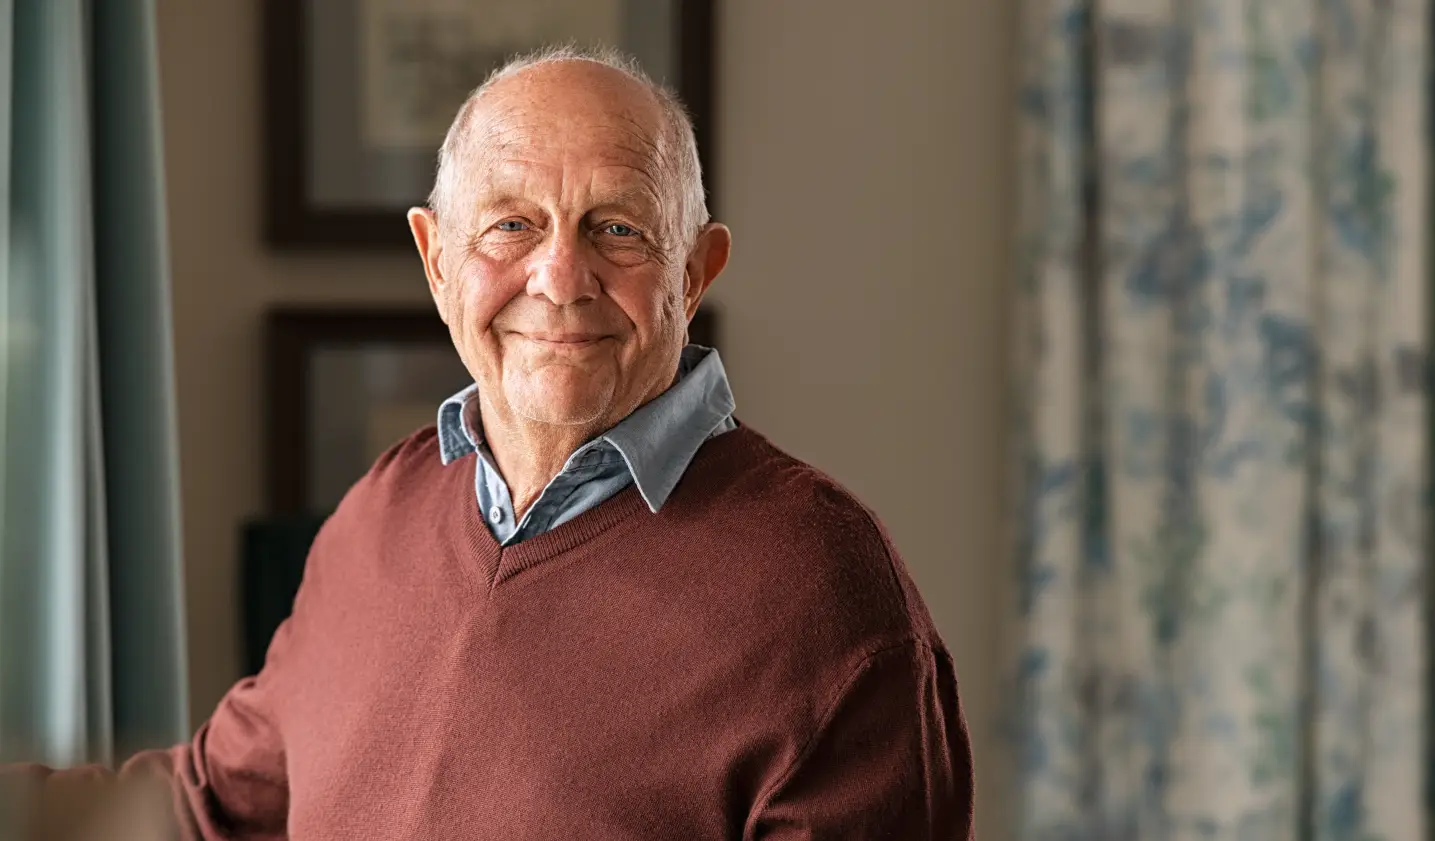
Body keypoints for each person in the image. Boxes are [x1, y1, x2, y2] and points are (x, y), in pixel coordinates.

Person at [9, 45, 974, 840]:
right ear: (436, 260)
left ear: (695, 268)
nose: (560, 276)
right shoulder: (381, 511)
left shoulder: (828, 593)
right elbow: (206, 807)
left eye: (618, 229)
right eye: (512, 224)